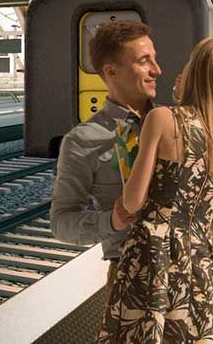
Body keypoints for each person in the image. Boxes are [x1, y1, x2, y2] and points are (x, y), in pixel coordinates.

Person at [98, 37, 213, 343]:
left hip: (154, 254)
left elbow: (133, 201)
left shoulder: (163, 118)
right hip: (202, 256)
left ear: (196, 72)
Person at [51, 21, 160, 284]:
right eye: (144, 61)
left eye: (154, 59)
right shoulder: (82, 141)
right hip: (130, 277)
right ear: (111, 71)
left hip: (194, 268)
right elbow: (61, 222)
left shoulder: (177, 124)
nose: (157, 70)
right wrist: (110, 221)